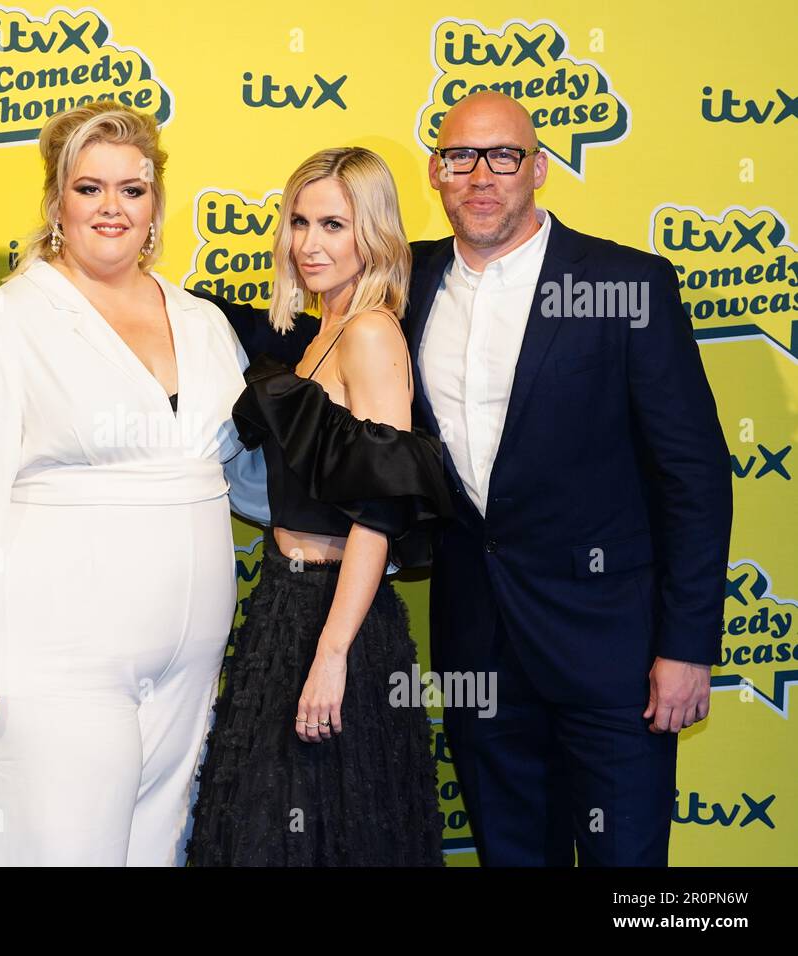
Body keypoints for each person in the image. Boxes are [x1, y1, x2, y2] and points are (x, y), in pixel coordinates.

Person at [0, 102, 268, 866]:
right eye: (90, 189)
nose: (113, 208)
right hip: (51, 656)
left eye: (132, 190)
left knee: (155, 852)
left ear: (155, 206)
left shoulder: (204, 321)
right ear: (55, 203)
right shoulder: (7, 323)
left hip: (188, 659)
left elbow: (243, 470)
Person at [411, 91, 732, 865]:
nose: (481, 176)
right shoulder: (404, 282)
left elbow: (694, 474)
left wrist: (688, 646)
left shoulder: (628, 285)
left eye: (504, 156)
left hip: (615, 657)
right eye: (461, 157)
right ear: (435, 173)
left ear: (540, 169)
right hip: (479, 652)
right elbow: (287, 327)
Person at [187, 147, 452, 866]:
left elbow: (380, 509)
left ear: (373, 235)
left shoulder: (369, 333)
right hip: (283, 604)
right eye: (300, 222)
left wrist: (332, 652)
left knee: (327, 833)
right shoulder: (320, 335)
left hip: (337, 619)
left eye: (333, 224)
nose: (309, 244)